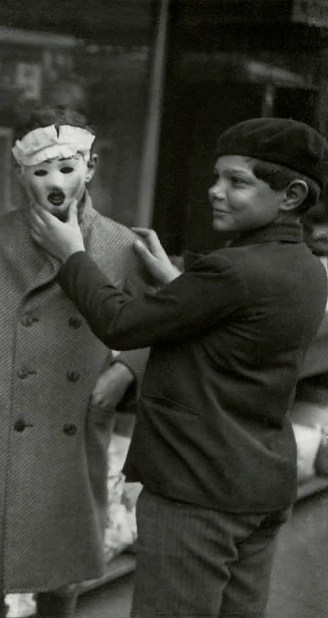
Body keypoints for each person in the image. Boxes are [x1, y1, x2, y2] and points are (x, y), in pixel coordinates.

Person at [26, 117, 328, 617]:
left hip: (199, 493)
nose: (216, 192)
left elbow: (122, 324)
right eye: (216, 177)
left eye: (237, 182)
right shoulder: (304, 265)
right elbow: (233, 329)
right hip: (260, 483)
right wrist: (177, 283)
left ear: (292, 194)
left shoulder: (232, 271)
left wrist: (71, 255)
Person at [0, 106, 149, 618]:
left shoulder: (119, 243)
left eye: (67, 168)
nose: (54, 181)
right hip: (3, 424)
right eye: (40, 170)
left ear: (90, 168)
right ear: (21, 172)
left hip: (76, 417)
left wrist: (125, 370)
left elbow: (160, 321)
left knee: (61, 576)